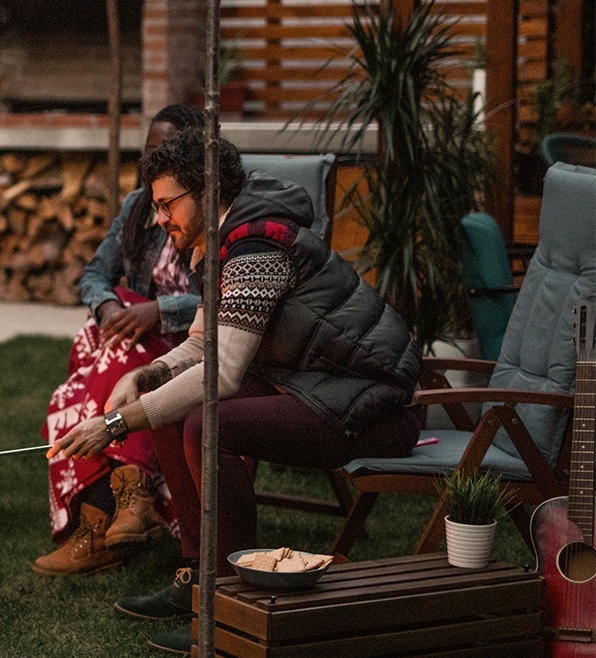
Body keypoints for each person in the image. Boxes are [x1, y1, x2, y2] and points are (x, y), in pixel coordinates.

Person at [47, 129, 421, 654]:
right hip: (313, 382)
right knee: (175, 411)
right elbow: (201, 345)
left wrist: (116, 424)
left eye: (167, 204)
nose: (159, 219)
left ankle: (231, 604)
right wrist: (144, 376)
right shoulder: (220, 245)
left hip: (370, 401)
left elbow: (221, 373)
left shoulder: (255, 249)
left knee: (208, 423)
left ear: (206, 191)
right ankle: (199, 580)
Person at [36, 105, 206, 577]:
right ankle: (121, 504)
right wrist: (109, 307)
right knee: (67, 398)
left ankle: (101, 521)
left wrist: (158, 310)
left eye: (165, 152)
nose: (153, 160)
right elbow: (95, 274)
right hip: (129, 340)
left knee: (111, 363)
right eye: (149, 151)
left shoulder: (211, 217)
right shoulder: (137, 207)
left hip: (184, 348)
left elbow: (222, 304)